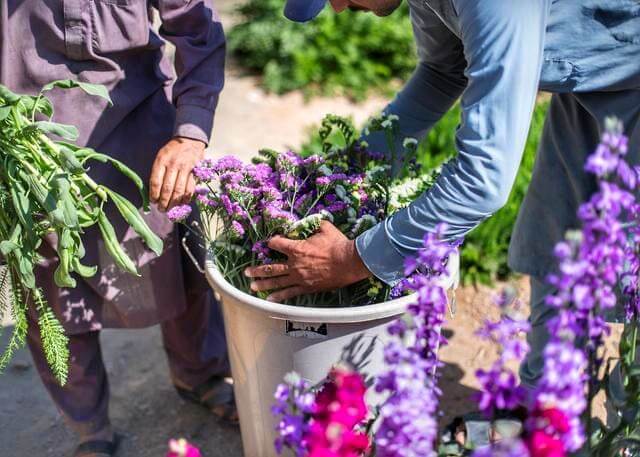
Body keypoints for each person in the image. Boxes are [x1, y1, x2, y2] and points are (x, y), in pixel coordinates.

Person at [245, 0, 640, 443]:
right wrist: (346, 179)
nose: (337, 8)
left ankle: (629, 434)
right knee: (555, 245)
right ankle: (545, 424)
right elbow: (442, 72)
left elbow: (483, 179)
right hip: (593, 81)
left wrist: (355, 257)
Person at [1, 1, 234, 455]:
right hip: (29, 145)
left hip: (139, 121)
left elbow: (198, 32)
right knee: (54, 294)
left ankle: (201, 373)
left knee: (176, 263)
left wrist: (189, 134)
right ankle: (90, 427)